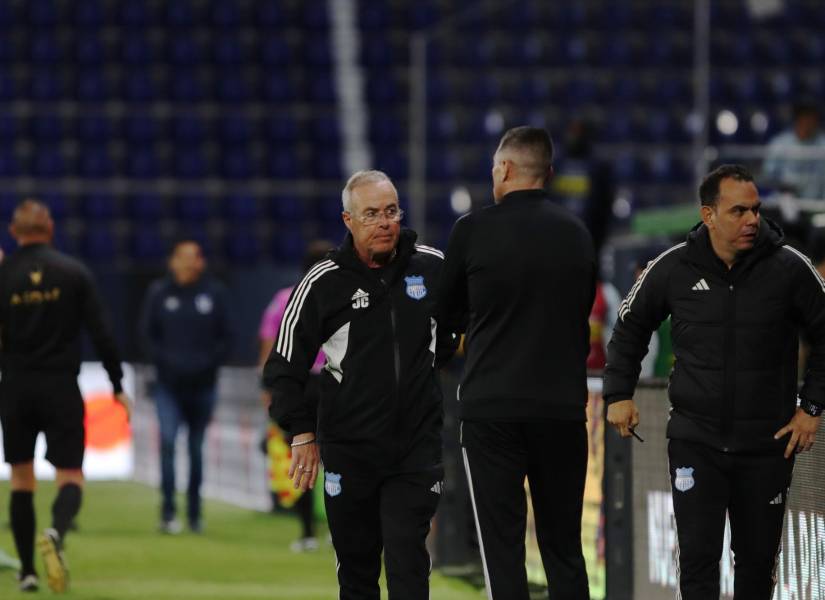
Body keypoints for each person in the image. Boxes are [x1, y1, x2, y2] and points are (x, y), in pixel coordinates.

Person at [604, 164, 824, 599]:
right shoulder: (673, 266)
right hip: (696, 443)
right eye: (738, 211)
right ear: (708, 215)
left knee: (757, 569)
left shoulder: (789, 267)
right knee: (697, 565)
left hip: (767, 446)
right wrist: (617, 393)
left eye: (755, 210)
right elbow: (630, 327)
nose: (752, 220)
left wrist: (811, 407)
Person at [263, 170, 457, 599]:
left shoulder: (433, 267)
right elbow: (283, 366)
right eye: (371, 214)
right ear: (348, 220)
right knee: (357, 572)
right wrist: (301, 432)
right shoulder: (322, 282)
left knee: (409, 565)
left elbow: (454, 334)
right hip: (349, 451)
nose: (384, 222)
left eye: (391, 211)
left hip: (415, 449)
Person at [439, 126, 595, 600]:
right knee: (564, 549)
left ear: (505, 169)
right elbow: (581, 310)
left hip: (492, 410)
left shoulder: (472, 230)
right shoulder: (577, 233)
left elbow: (445, 317)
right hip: (561, 410)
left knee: (501, 550)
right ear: (548, 172)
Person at [0, 199, 130, 593]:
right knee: (71, 475)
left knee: (21, 479)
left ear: (14, 231)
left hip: (16, 386)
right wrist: (117, 385)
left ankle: (27, 572)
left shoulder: (4, 274)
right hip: (60, 385)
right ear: (50, 228)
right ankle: (56, 531)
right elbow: (102, 333)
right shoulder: (74, 273)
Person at [139, 239, 232, 534]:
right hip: (168, 385)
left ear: (201, 262)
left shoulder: (214, 293)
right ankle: (168, 512)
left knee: (196, 448)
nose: (189, 262)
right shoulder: (159, 293)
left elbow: (227, 337)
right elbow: (147, 335)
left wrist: (207, 364)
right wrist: (167, 363)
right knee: (167, 442)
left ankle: (194, 514)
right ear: (173, 261)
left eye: (194, 256)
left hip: (203, 386)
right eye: (184, 256)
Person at [258, 239, 333, 552]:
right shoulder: (340, 297)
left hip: (298, 386)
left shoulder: (284, 299)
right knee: (337, 459)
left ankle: (307, 532)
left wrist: (268, 389)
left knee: (303, 456)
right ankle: (337, 527)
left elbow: (269, 347)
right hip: (334, 384)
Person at [763, 100, 825, 199]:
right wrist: (784, 187)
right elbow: (769, 175)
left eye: (811, 117)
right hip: (786, 200)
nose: (807, 121)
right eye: (804, 116)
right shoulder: (780, 143)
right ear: (797, 119)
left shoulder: (823, 143)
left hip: (816, 201)